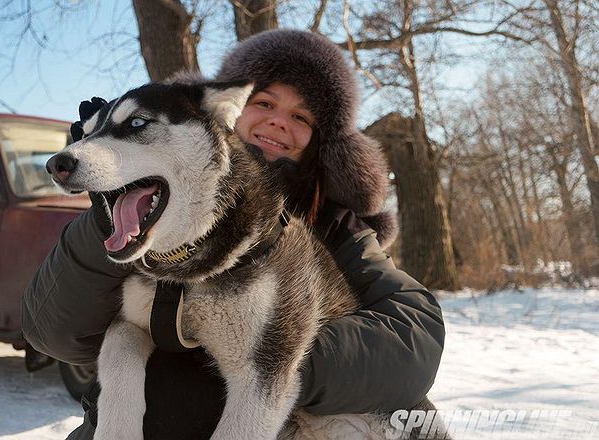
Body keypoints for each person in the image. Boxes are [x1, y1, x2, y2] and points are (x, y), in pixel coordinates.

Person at [22, 30, 445, 439]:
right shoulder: (141, 208)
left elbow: (416, 338)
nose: (279, 122)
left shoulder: (335, 226)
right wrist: (109, 203)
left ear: (318, 140)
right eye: (264, 102)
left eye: (301, 116)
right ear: (225, 108)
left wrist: (278, 351)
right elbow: (53, 332)